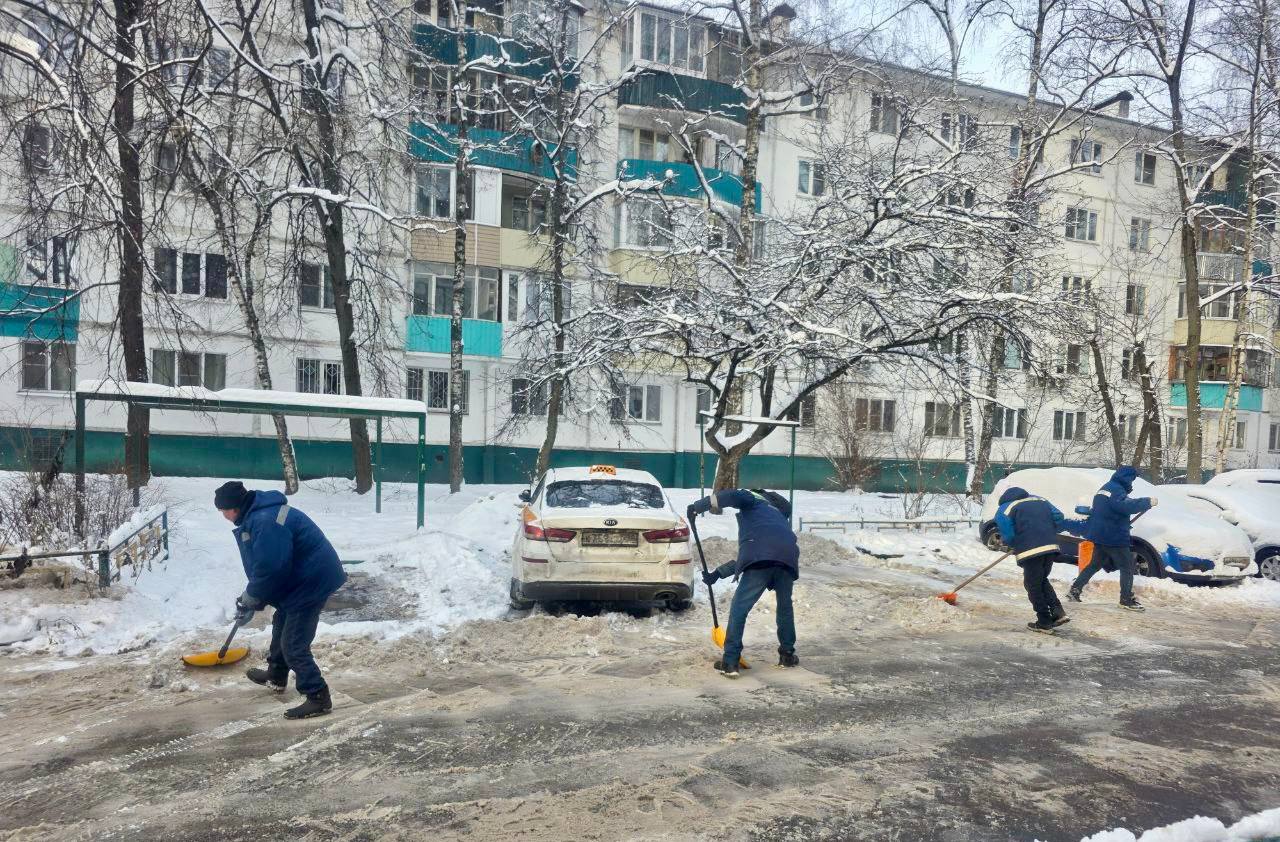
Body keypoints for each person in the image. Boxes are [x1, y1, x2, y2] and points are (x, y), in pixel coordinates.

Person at [215, 480, 347, 719]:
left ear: (234, 508)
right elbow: (270, 567)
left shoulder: (265, 521)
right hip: (301, 577)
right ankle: (276, 675)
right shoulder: (260, 513)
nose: (223, 516)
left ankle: (317, 695)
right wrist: (254, 598)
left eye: (223, 511)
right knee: (281, 621)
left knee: (294, 644)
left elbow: (271, 569)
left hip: (311, 581)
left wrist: (252, 597)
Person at [687, 489, 799, 678]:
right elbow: (755, 552)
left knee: (739, 608)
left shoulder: (754, 498)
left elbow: (733, 496)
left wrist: (699, 506)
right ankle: (787, 655)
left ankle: (730, 661)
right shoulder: (777, 516)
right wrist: (718, 573)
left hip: (763, 559)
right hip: (788, 558)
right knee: (785, 608)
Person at [1068, 467, 1155, 611]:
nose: (1132, 483)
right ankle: (1126, 599)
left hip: (1100, 535)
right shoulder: (1117, 490)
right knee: (1127, 568)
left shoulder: (1105, 488)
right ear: (1127, 478)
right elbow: (1126, 505)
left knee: (1094, 565)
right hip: (1113, 537)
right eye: (1132, 480)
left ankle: (1075, 590)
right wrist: (1147, 502)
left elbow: (1110, 509)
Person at [995, 486, 1069, 632]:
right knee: (1041, 580)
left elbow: (1009, 535)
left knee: (1032, 585)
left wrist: (1014, 543)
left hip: (1031, 550)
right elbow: (1059, 516)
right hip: (1050, 546)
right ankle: (1058, 612)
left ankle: (1044, 621)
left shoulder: (1004, 509)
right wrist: (1045, 530)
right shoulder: (1039, 499)